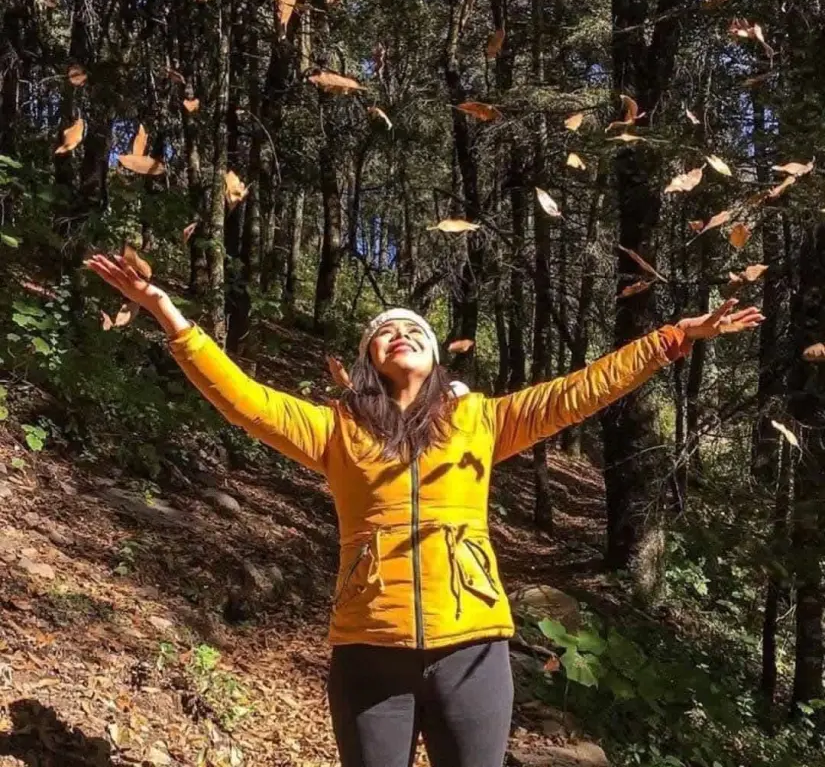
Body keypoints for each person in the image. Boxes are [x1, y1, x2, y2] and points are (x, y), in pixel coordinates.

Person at [84, 252, 764, 767]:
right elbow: (240, 395)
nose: (399, 333)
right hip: (367, 647)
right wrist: (166, 311)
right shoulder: (334, 428)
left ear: (435, 353)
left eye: (412, 328)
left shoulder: (483, 419)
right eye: (384, 331)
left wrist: (672, 336)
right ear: (368, 360)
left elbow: (580, 390)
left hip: (471, 646)